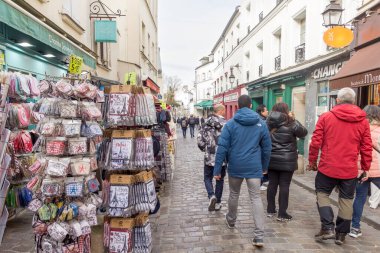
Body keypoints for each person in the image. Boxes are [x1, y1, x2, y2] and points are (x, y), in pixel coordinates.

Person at [308, 87, 372, 245]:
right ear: (354, 101)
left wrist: (312, 161)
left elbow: (316, 142)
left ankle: (328, 227)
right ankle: (341, 234)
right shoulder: (363, 121)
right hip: (349, 169)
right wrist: (365, 167)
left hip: (328, 166)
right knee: (346, 200)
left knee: (322, 194)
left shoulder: (326, 117)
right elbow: (366, 146)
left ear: (337, 100)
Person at [213, 95, 272, 247]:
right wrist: (265, 166)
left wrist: (217, 169)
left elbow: (222, 148)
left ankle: (231, 220)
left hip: (236, 165)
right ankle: (259, 236)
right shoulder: (261, 123)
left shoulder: (230, 124)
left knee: (234, 194)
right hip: (254, 166)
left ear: (237, 107)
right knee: (256, 198)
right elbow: (267, 148)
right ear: (251, 106)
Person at [266, 103, 308, 221]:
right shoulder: (291, 123)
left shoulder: (268, 123)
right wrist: (294, 119)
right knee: (284, 185)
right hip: (287, 160)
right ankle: (282, 213)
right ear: (286, 111)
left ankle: (270, 209)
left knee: (272, 184)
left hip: (271, 158)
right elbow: (304, 132)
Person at [350, 105, 380, 238]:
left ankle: (355, 228)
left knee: (360, 198)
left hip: (362, 169)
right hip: (378, 170)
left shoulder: (358, 129)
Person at [197, 104, 227, 211]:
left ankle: (211, 195)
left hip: (209, 156)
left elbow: (199, 140)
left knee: (207, 178)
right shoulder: (226, 124)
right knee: (220, 180)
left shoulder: (205, 123)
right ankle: (217, 202)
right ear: (221, 111)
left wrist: (206, 149)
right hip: (222, 157)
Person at [256, 104, 269, 190]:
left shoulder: (262, 120)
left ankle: (263, 181)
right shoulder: (261, 121)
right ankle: (260, 183)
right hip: (261, 147)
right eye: (266, 110)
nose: (267, 111)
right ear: (262, 112)